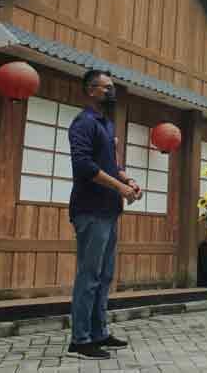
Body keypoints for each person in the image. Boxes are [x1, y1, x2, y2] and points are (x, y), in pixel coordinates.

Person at [67, 70, 141, 359]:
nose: (111, 92)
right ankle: (80, 339)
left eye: (113, 87)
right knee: (89, 275)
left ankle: (99, 332)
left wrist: (128, 180)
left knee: (105, 274)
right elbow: (84, 165)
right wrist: (121, 188)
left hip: (109, 211)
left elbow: (111, 165)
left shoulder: (106, 125)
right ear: (90, 90)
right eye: (106, 88)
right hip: (90, 209)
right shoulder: (83, 123)